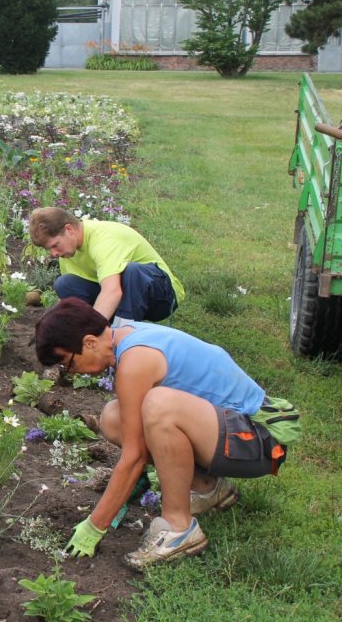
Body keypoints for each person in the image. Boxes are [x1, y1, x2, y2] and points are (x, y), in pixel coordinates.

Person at [33, 297, 292, 569]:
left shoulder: (135, 360)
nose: (71, 372)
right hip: (232, 433)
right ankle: (206, 487)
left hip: (260, 442)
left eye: (68, 363)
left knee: (159, 407)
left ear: (88, 342)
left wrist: (95, 526)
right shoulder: (126, 336)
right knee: (113, 417)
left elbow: (134, 456)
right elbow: (137, 440)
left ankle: (178, 529)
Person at [28, 207, 184, 323]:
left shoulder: (103, 240)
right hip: (124, 295)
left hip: (162, 296)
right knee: (65, 284)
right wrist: (48, 324)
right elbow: (75, 299)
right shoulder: (68, 252)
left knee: (131, 271)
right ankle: (111, 331)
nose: (53, 253)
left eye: (55, 245)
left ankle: (121, 337)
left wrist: (92, 331)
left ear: (68, 229)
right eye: (48, 249)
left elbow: (112, 291)